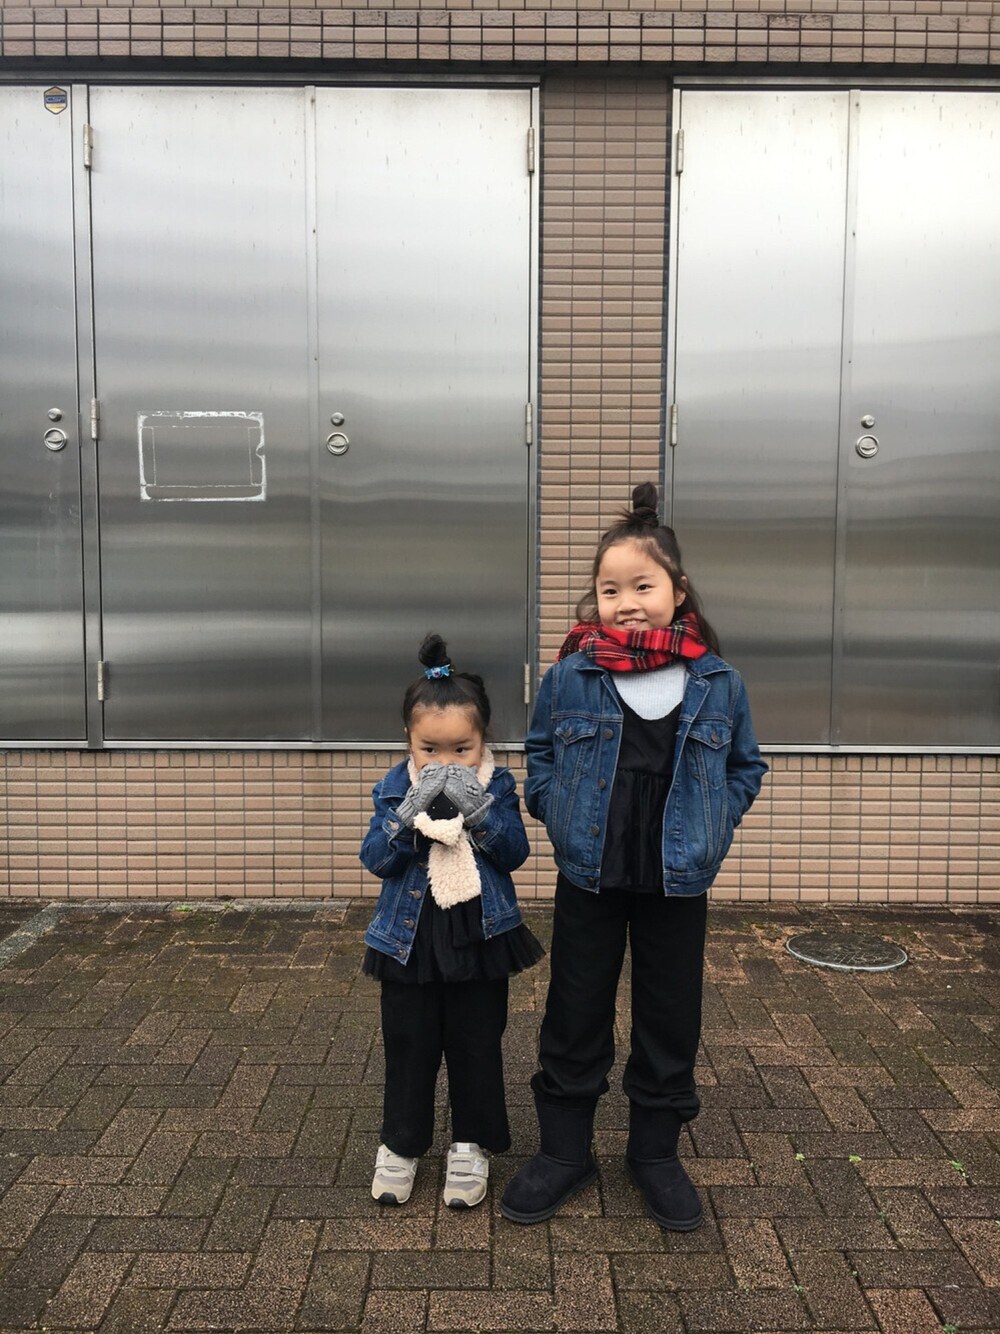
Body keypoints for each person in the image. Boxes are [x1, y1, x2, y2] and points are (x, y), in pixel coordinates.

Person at [500, 482, 767, 1232]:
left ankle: (654, 1155)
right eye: (609, 589)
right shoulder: (572, 674)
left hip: (677, 882)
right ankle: (564, 1152)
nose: (625, 603)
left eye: (642, 586)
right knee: (575, 1007)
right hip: (591, 873)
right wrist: (555, 809)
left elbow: (745, 767)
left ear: (677, 591)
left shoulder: (718, 682)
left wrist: (715, 824)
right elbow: (542, 754)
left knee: (670, 1013)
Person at [360, 634, 542, 1211]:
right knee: (408, 1043)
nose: (445, 763)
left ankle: (470, 1145)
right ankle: (401, 1144)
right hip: (409, 941)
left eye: (462, 748)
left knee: (476, 1043)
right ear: (408, 742)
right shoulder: (395, 788)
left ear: (484, 740)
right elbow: (376, 859)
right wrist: (406, 817)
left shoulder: (498, 786)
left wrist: (479, 811)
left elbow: (514, 853)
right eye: (429, 749)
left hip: (479, 937)